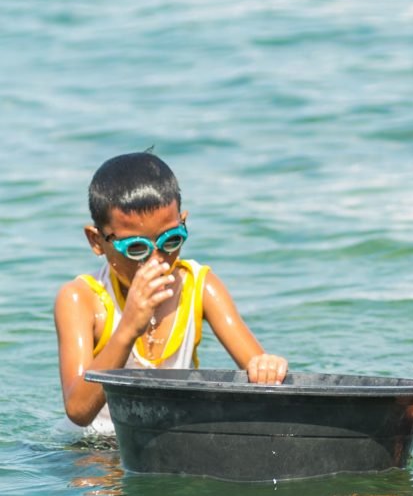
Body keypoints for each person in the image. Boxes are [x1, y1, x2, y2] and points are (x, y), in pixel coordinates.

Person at [55, 152, 289, 436]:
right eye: (136, 248)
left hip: (166, 441)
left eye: (171, 241)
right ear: (96, 241)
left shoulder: (200, 287)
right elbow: (79, 410)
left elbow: (258, 368)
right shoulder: (80, 299)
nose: (156, 261)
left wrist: (266, 366)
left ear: (184, 223)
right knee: (90, 480)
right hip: (92, 446)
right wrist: (128, 327)